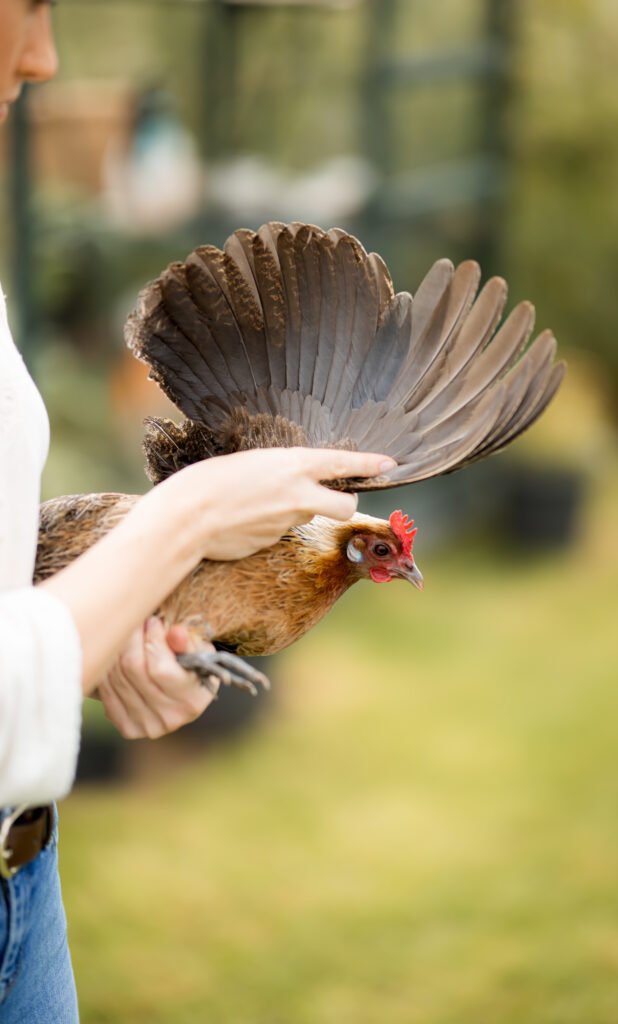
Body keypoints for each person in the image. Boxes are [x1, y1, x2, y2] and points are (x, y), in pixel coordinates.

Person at [0, 3, 395, 1020]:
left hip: (20, 867)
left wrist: (97, 639)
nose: (44, 56)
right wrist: (185, 518)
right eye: (26, 8)